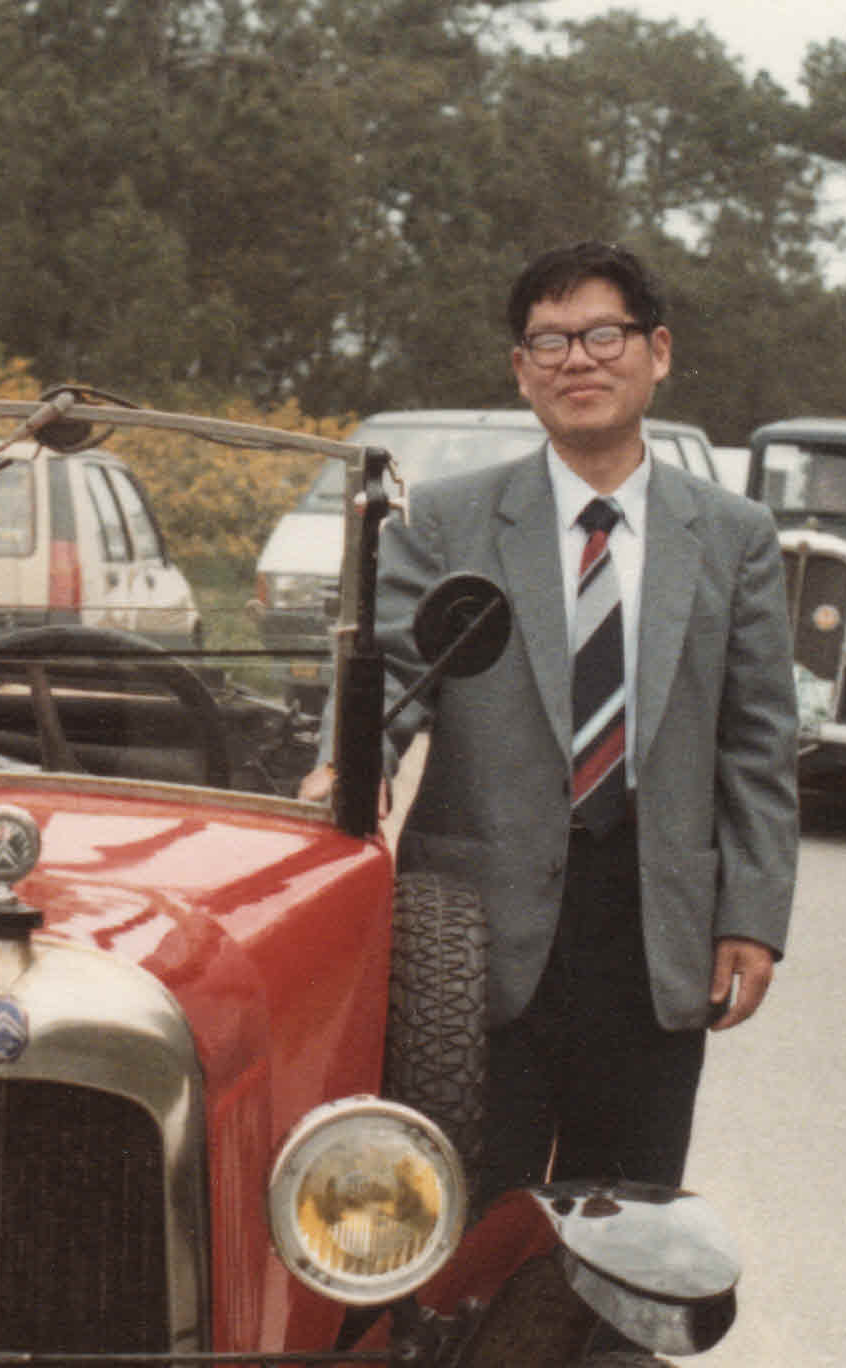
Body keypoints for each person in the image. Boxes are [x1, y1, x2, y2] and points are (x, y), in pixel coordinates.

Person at [309, 244, 798, 1192]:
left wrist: (753, 914)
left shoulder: (732, 537)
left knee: (626, 1224)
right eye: (550, 341)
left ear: (658, 352)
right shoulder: (445, 521)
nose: (578, 360)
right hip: (474, 940)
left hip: (656, 935)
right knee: (458, 1215)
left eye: (604, 335)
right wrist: (346, 767)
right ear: (520, 368)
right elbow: (390, 681)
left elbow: (758, 740)